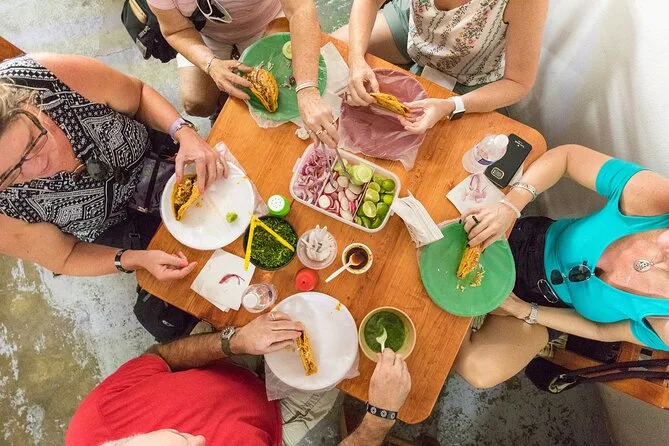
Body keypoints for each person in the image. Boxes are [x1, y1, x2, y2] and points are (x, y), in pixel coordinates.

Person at [452, 145, 669, 388]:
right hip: (523, 245)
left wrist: (524, 310)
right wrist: (510, 206)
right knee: (447, 236)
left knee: (479, 370)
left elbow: (602, 331)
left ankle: (454, 308)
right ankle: (460, 299)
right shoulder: (658, 200)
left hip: (549, 307)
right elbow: (567, 158)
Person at [0, 53, 224, 281]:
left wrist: (183, 132)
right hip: (123, 229)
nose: (39, 166)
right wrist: (136, 259)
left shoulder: (43, 76)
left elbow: (138, 95)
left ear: (25, 101)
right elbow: (65, 256)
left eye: (33, 140)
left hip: (164, 156)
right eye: (9, 174)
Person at [65, 311, 412, 446]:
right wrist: (379, 418)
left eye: (180, 436)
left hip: (224, 361)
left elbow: (161, 357)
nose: (201, 440)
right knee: (345, 354)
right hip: (279, 421)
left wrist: (234, 341)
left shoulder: (96, 418)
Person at [333, 0, 548, 133]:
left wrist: (453, 105)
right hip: (417, 27)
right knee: (333, 54)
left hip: (469, 74)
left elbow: (517, 82)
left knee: (425, 145)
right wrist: (356, 59)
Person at [148, 0, 339, 147]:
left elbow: (300, 9)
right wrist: (210, 64)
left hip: (267, 19)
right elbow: (175, 30)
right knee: (196, 102)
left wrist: (307, 88)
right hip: (207, 36)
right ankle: (222, 103)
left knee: (284, 103)